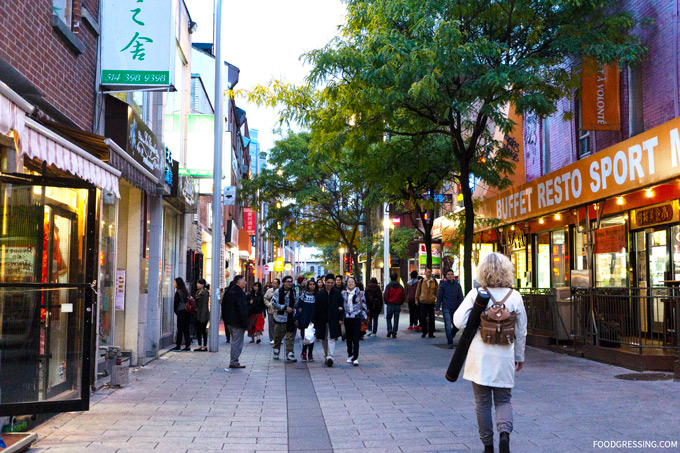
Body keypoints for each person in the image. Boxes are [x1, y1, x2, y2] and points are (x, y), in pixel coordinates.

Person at [454, 252, 527, 453]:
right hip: (505, 355)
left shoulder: (476, 294)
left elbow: (458, 321)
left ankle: (488, 445)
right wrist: (519, 356)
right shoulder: (515, 296)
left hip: (480, 356)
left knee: (482, 403)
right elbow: (521, 331)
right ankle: (504, 434)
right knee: (504, 399)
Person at [314, 273, 344, 367]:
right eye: (328, 282)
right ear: (325, 282)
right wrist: (314, 320)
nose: (330, 284)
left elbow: (341, 306)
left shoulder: (337, 293)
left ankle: (330, 356)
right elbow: (316, 308)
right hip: (322, 319)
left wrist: (340, 318)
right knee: (324, 338)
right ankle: (326, 354)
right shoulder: (320, 293)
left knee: (331, 338)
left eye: (332, 283)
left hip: (333, 318)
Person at [222, 275, 249, 368]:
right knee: (237, 343)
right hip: (237, 322)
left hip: (229, 321)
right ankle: (234, 362)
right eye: (244, 280)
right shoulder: (240, 293)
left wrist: (225, 318)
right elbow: (242, 309)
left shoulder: (229, 291)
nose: (245, 282)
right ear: (238, 282)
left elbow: (223, 306)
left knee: (235, 341)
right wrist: (245, 323)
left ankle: (234, 361)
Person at [437, 269, 465, 349]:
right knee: (448, 325)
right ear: (446, 276)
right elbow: (439, 297)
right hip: (446, 308)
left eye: (451, 274)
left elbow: (460, 297)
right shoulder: (443, 286)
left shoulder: (457, 285)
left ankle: (451, 335)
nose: (450, 275)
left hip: (456, 308)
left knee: (457, 325)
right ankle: (450, 342)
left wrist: (462, 307)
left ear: (453, 276)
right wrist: (437, 308)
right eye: (448, 274)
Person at [271, 275, 297, 361]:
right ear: (284, 282)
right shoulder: (278, 292)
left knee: (290, 336)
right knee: (278, 336)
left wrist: (295, 310)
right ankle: (276, 351)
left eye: (291, 281)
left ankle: (290, 353)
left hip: (290, 318)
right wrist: (285, 307)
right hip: (279, 317)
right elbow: (274, 303)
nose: (290, 283)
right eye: (288, 281)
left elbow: (297, 303)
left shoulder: (294, 292)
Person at [341, 276, 366, 366]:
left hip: (357, 317)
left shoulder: (360, 293)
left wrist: (364, 317)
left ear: (355, 283)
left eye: (352, 282)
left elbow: (364, 304)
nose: (350, 283)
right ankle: (350, 354)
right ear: (346, 284)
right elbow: (342, 305)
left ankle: (355, 357)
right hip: (347, 317)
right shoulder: (343, 293)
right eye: (349, 282)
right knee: (349, 337)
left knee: (356, 338)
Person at [295, 279, 317, 362]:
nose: (312, 286)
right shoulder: (304, 296)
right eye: (310, 284)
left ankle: (310, 353)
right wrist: (297, 318)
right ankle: (304, 352)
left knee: (311, 337)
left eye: (313, 284)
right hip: (304, 318)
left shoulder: (316, 296)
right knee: (305, 337)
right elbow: (299, 307)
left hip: (313, 319)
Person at [416, 267, 439, 338]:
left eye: (430, 272)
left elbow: (437, 292)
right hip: (423, 301)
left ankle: (431, 333)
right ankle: (424, 331)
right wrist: (416, 299)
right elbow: (418, 291)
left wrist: (437, 299)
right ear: (425, 273)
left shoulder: (434, 281)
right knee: (423, 317)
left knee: (432, 318)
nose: (428, 273)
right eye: (427, 272)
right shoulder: (421, 281)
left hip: (431, 301)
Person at [384, 273, 406, 338]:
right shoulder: (400, 287)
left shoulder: (388, 286)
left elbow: (386, 295)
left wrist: (386, 302)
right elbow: (403, 296)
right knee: (396, 319)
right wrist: (401, 302)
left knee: (388, 318)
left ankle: (389, 329)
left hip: (390, 304)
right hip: (397, 304)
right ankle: (394, 332)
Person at [173, 277, 192, 351]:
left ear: (178, 283)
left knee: (180, 329)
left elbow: (176, 304)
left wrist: (176, 312)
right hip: (187, 312)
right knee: (186, 329)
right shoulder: (185, 291)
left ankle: (178, 345)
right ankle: (187, 345)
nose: (174, 284)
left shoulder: (178, 292)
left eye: (175, 283)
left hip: (181, 312)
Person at [194, 278, 210, 351]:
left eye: (199, 283)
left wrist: (203, 316)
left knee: (203, 330)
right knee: (198, 330)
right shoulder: (197, 292)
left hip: (203, 314)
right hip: (197, 313)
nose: (197, 285)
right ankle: (199, 344)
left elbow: (205, 305)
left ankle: (205, 345)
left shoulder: (205, 293)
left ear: (203, 284)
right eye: (197, 283)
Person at [264, 278, 280, 345]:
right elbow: (265, 298)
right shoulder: (269, 291)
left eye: (275, 283)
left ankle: (279, 338)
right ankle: (272, 338)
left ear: (278, 284)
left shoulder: (281, 291)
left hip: (279, 311)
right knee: (271, 325)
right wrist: (269, 305)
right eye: (273, 283)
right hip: (271, 310)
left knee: (279, 325)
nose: (274, 284)